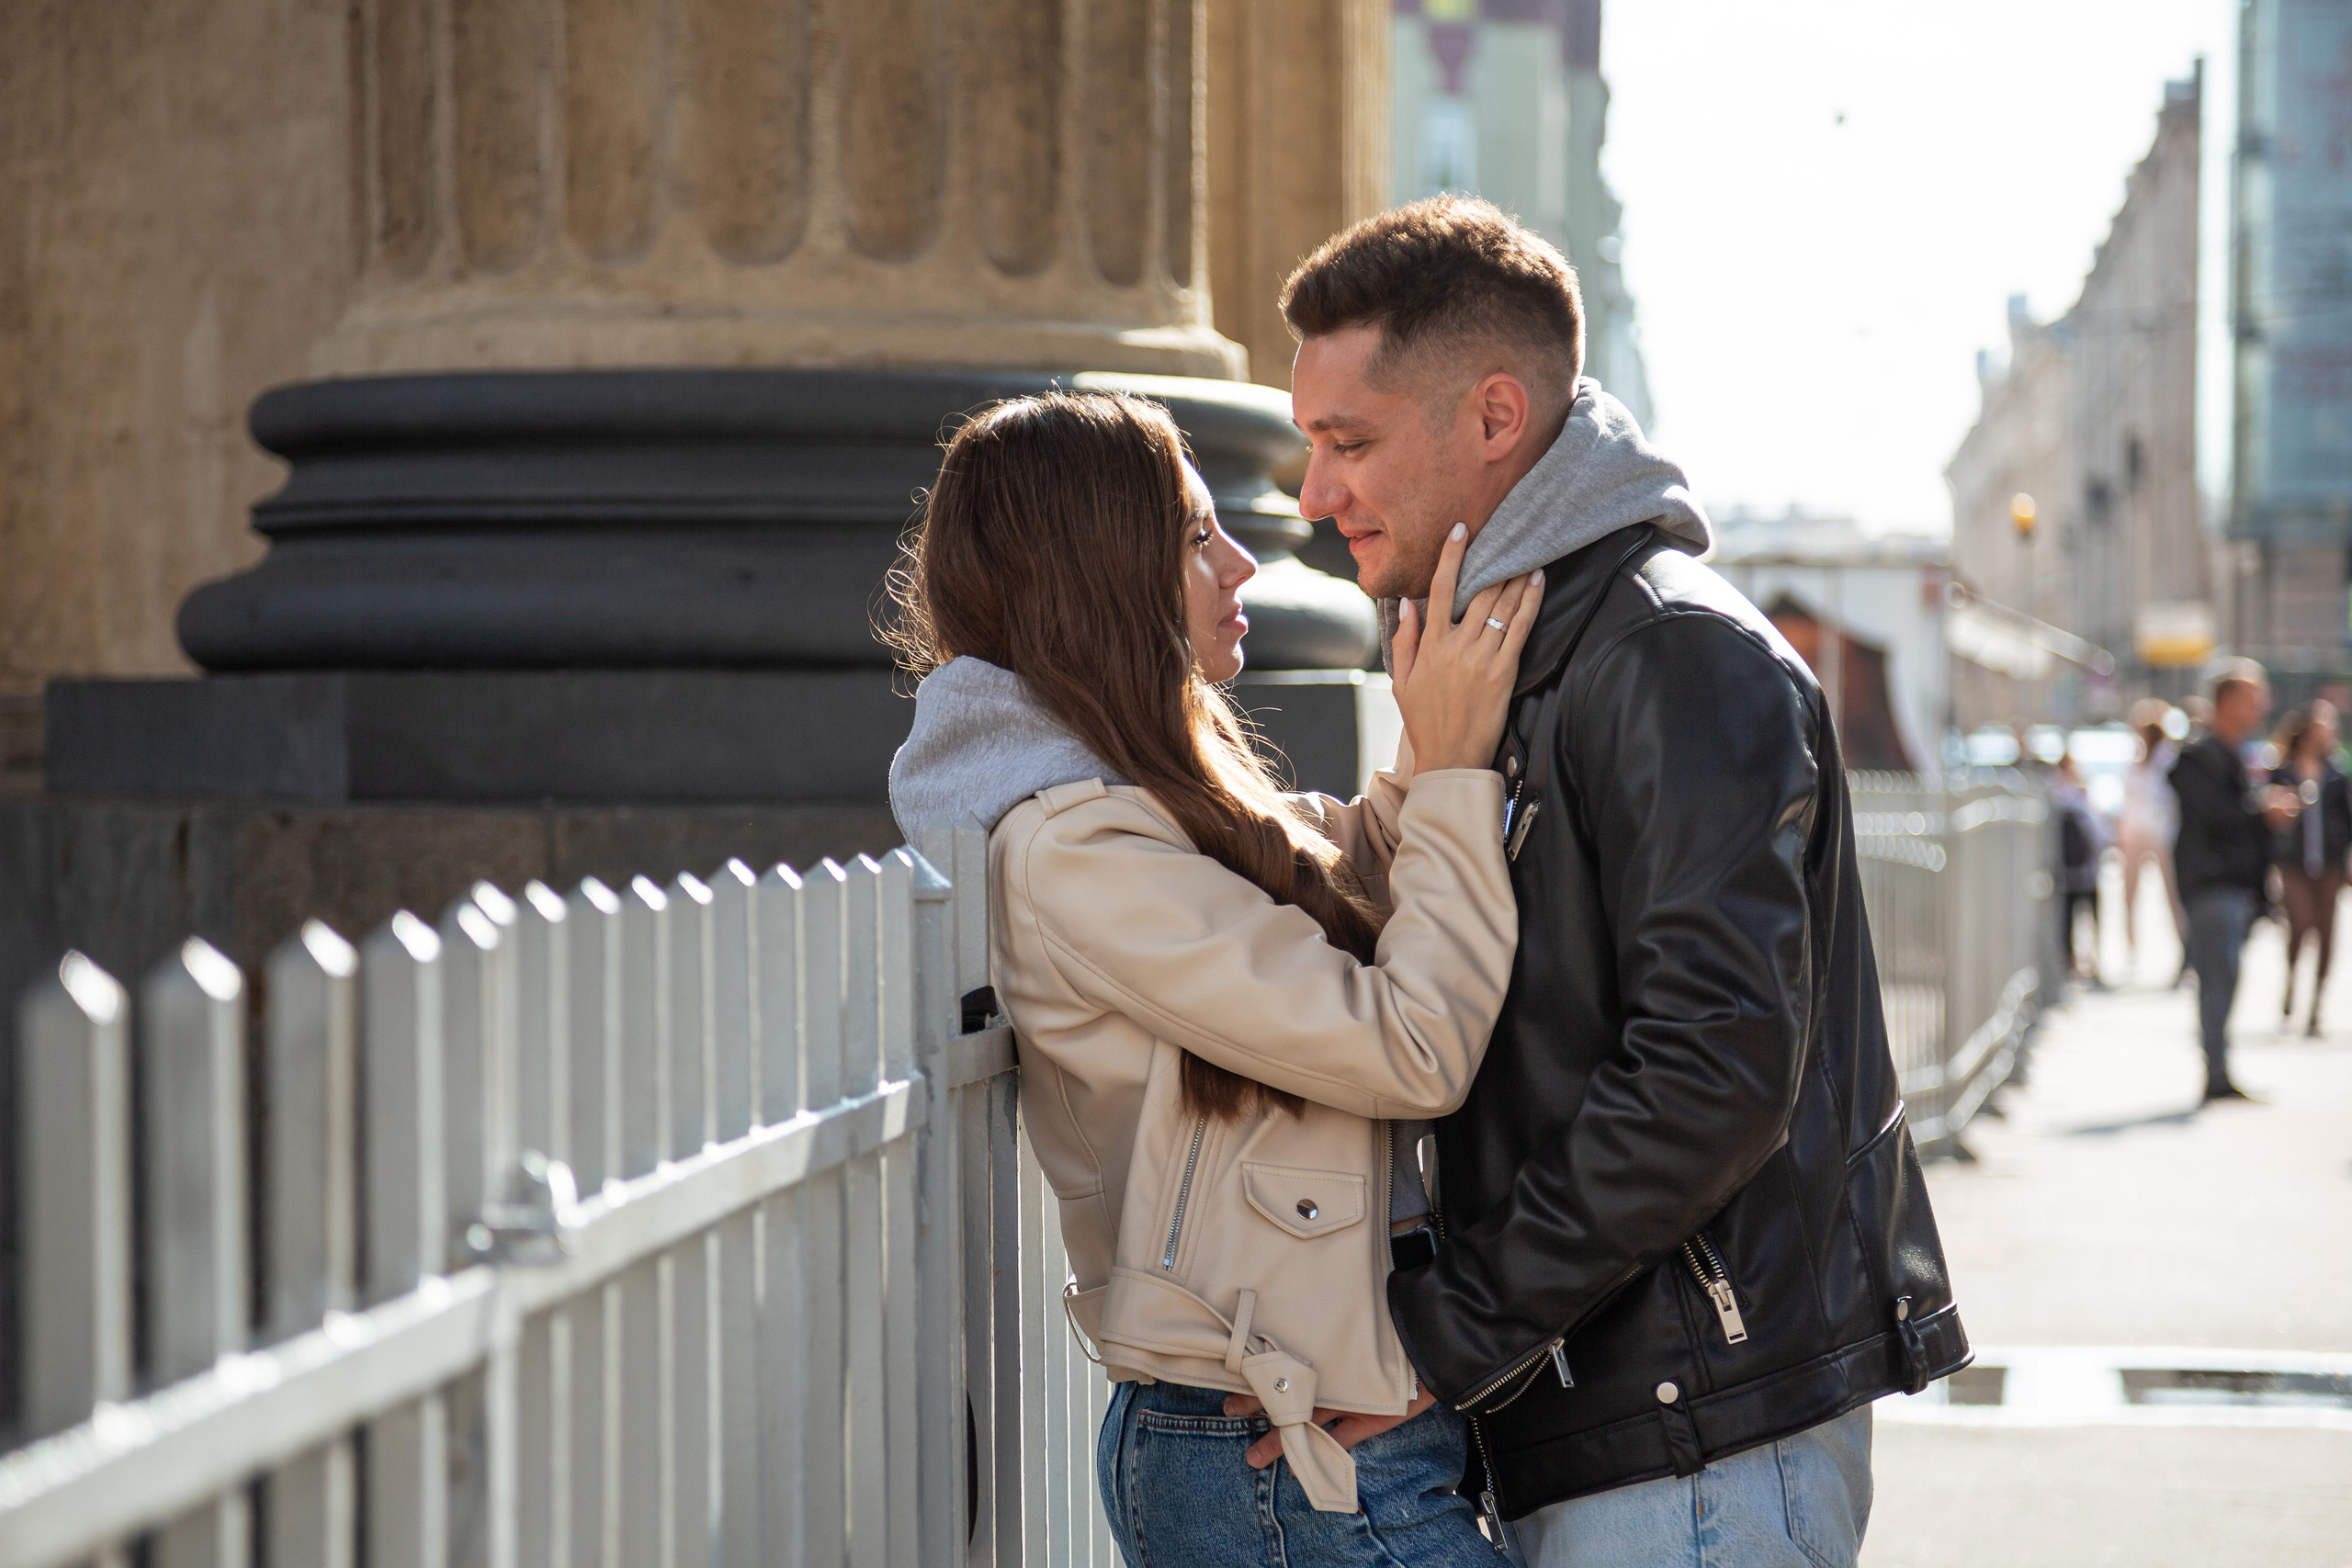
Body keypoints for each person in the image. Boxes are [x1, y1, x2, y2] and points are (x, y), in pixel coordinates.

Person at [1280, 195, 1967, 1568]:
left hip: (1698, 1443)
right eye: (1308, 446)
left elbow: (1712, 1068)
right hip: (1623, 1420)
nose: (1312, 495)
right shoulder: (1513, 657)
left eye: (1348, 442)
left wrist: (1443, 1334)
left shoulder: (1666, 653)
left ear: (1493, 417)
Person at [887, 389, 1544, 1566]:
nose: (1242, 561)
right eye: (1196, 537)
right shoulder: (1077, 851)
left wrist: (1427, 744)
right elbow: (1410, 1046)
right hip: (1275, 1456)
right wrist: (1449, 772)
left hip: (1305, 1431)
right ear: (1099, 572)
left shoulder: (1140, 812)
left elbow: (1347, 873)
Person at [2171, 660, 2293, 1101]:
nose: (2261, 706)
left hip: (2235, 886)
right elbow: (2211, 813)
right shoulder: (2198, 755)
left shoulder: (2239, 752)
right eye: (2252, 697)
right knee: (2217, 978)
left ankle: (2219, 1068)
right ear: (2226, 702)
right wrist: (2260, 810)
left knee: (2226, 977)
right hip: (2211, 885)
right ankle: (2216, 1072)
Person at [2268, 702, 2349, 1036]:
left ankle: (2315, 1006)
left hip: (2328, 864)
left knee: (2327, 933)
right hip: (2294, 863)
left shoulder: (2336, 774)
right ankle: (2290, 981)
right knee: (2300, 924)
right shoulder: (2283, 771)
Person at [2117, 700, 2187, 979]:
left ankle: (2185, 950)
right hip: (2135, 835)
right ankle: (2131, 950)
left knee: (2173, 896)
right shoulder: (2137, 761)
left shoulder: (2168, 760)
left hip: (2161, 836)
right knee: (2128, 894)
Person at [2050, 753, 2110, 985]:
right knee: (2090, 919)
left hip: (2068, 874)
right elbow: (2100, 833)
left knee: (2069, 922)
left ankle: (2072, 963)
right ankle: (2090, 962)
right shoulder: (2079, 797)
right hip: (2086, 872)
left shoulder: (2057, 796)